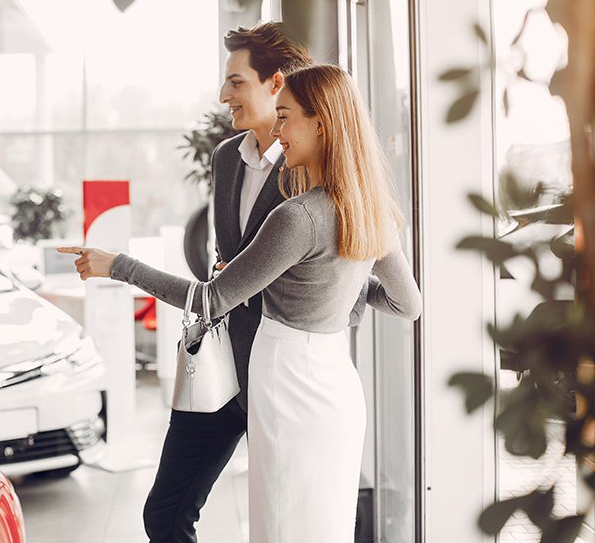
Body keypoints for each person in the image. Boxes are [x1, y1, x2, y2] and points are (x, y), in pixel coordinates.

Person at [59, 63, 422, 543]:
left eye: (287, 117)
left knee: (281, 526)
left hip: (287, 381)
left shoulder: (296, 216)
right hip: (335, 388)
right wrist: (331, 286)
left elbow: (209, 300)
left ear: (322, 123)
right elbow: (406, 304)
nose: (278, 130)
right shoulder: (370, 206)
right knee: (322, 528)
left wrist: (119, 265)